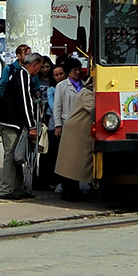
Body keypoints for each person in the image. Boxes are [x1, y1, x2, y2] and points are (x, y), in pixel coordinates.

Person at [0, 51, 44, 200]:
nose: (39, 71)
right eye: (39, 67)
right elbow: (25, 101)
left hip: (11, 121)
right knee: (11, 155)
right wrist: (32, 126)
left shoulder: (21, 75)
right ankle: (6, 190)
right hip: (10, 122)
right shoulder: (23, 76)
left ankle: (17, 189)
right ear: (34, 65)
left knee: (17, 155)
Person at [55, 74, 95, 202]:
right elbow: (95, 110)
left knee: (71, 165)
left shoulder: (85, 92)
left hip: (77, 131)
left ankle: (71, 191)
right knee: (72, 165)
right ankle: (70, 192)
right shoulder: (87, 94)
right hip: (76, 132)